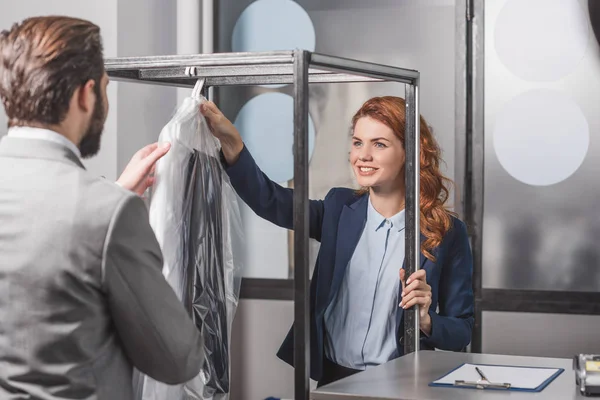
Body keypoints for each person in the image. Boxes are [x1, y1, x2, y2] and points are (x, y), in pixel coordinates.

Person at [200, 96, 474, 386]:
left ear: (412, 152)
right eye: (357, 142)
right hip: (334, 381)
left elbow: (462, 330)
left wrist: (427, 322)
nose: (363, 155)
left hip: (402, 384)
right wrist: (233, 144)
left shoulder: (446, 232)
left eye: (379, 144)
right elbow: (271, 201)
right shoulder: (338, 208)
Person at [0, 16, 204, 399]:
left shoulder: (102, 207)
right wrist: (111, 207)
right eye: (106, 90)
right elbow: (178, 359)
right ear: (85, 94)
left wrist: (112, 194)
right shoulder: (109, 213)